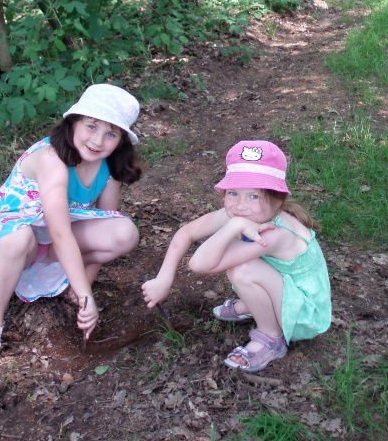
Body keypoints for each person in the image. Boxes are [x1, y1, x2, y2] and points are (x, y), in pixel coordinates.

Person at [0, 84, 143, 371]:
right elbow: (61, 233)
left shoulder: (109, 168)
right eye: (91, 126)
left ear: (121, 140)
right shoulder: (52, 158)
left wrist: (86, 282)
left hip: (55, 236)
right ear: (73, 121)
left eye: (111, 134)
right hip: (17, 229)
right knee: (17, 240)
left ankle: (53, 273)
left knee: (123, 232)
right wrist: (86, 297)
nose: (98, 140)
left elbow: (103, 218)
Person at [142, 140, 331, 372]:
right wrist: (163, 278)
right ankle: (256, 304)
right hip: (284, 287)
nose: (241, 205)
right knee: (242, 263)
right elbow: (186, 232)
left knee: (242, 270)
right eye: (233, 193)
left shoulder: (275, 232)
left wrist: (233, 226)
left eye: (254, 196)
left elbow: (200, 264)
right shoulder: (246, 213)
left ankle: (271, 338)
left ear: (276, 200)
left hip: (304, 313)